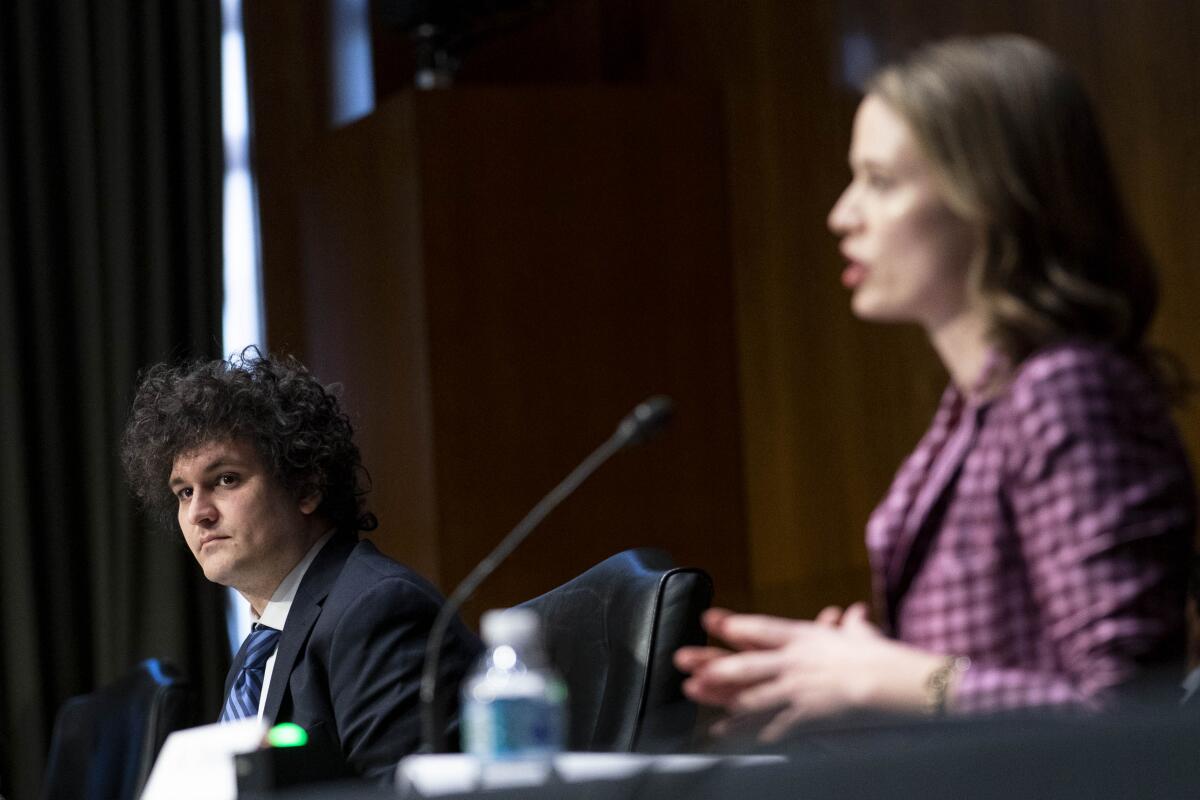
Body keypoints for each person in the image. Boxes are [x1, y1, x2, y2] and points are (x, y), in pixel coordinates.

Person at [676, 35, 1195, 741]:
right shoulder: (978, 403)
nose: (842, 215)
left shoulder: (1066, 390)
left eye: (881, 181)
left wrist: (884, 676)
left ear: (989, 197)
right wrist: (844, 678)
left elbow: (1131, 718)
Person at [121, 348, 481, 782]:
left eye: (225, 479)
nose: (199, 512)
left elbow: (398, 794)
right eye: (183, 492)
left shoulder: (377, 610)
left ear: (306, 485)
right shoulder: (263, 644)